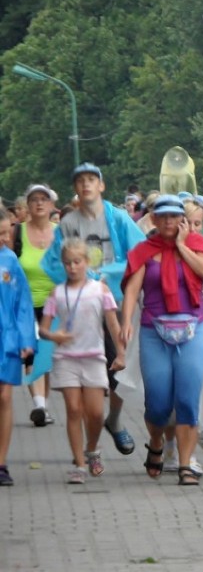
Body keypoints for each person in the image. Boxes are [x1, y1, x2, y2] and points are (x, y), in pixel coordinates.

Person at [41, 162, 146, 457]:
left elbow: (139, 256)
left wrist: (108, 273)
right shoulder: (67, 223)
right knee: (86, 373)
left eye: (91, 179)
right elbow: (52, 262)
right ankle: (90, 442)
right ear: (74, 188)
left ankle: (114, 419)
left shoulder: (119, 218)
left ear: (101, 186)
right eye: (80, 181)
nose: (86, 185)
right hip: (80, 307)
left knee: (119, 370)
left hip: (114, 302)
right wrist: (75, 283)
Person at [120, 195, 203, 486]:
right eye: (161, 217)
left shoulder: (199, 245)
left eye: (173, 217)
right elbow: (131, 290)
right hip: (154, 329)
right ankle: (156, 442)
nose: (167, 222)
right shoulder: (144, 250)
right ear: (153, 218)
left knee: (188, 399)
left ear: (182, 220)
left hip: (193, 328)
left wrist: (180, 246)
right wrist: (125, 323)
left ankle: (186, 463)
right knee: (158, 403)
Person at [39, 238, 125, 484]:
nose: (72, 267)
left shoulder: (100, 290)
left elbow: (112, 323)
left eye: (77, 262)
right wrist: (55, 335)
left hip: (94, 357)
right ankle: (78, 463)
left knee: (96, 413)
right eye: (67, 263)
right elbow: (44, 329)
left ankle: (92, 449)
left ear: (87, 262)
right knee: (74, 410)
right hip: (66, 358)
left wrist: (120, 353)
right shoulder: (57, 292)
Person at [0, 208, 37, 486]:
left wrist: (27, 341)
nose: (4, 239)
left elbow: (23, 305)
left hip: (7, 339)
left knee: (4, 398)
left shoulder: (10, 261)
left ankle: (1, 463)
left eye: (6, 233)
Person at [17, 183, 58, 426]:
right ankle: (39, 405)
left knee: (47, 358)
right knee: (32, 355)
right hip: (24, 305)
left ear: (52, 205)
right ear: (28, 205)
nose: (39, 203)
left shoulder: (60, 232)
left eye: (44, 199)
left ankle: (43, 405)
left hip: (55, 305)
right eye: (34, 199)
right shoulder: (16, 233)